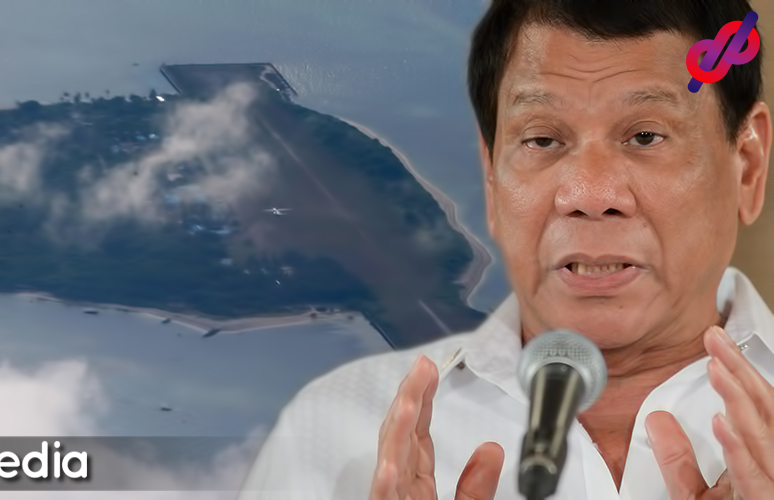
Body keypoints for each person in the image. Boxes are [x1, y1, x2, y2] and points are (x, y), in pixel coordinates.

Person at [238, 1, 774, 498]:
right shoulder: (335, 430)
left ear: (747, 168)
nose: (588, 195)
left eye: (646, 137)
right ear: (491, 177)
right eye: (542, 140)